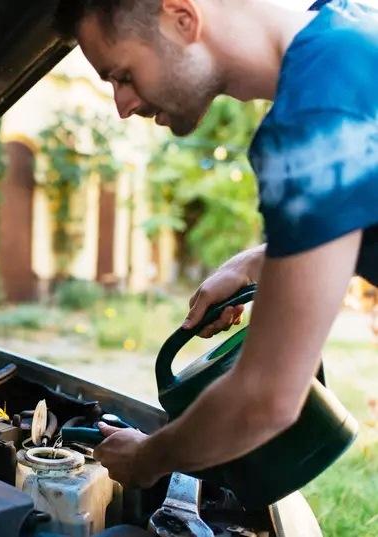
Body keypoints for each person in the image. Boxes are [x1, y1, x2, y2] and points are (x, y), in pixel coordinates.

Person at [54, 0, 377, 488]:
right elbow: (352, 225)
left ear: (182, 17)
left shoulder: (314, 114)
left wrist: (146, 458)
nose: (122, 107)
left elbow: (265, 399)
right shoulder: (346, 33)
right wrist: (252, 264)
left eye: (122, 75)